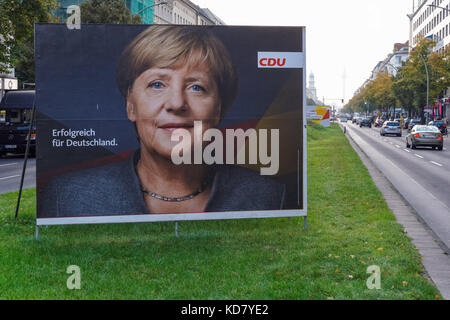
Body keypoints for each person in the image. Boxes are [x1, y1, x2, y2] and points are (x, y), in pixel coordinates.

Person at [39, 25, 286, 217]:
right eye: (157, 84)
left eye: (197, 87)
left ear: (220, 107)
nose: (177, 103)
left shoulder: (268, 196)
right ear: (130, 106)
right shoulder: (68, 197)